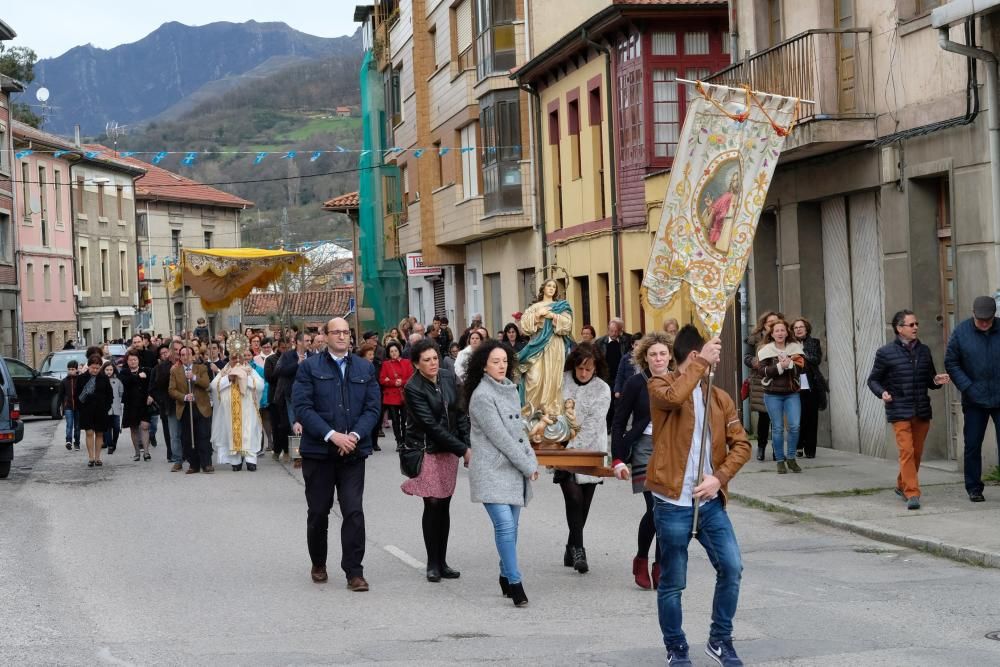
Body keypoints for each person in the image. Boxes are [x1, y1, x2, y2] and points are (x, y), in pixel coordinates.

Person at [647, 325, 751, 667]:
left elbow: (742, 445)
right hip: (672, 502)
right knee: (674, 582)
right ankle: (676, 646)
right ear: (695, 356)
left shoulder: (719, 397)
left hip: (709, 503)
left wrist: (718, 478)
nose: (716, 359)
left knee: (732, 567)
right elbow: (675, 398)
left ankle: (720, 639)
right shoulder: (659, 385)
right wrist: (699, 364)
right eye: (712, 354)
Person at [293, 316, 381, 591]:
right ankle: (318, 562)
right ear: (325, 336)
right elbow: (303, 408)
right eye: (337, 332)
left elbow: (372, 408)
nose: (342, 336)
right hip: (319, 452)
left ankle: (354, 571)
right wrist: (333, 436)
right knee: (319, 512)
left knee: (353, 511)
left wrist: (354, 436)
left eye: (346, 332)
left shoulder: (364, 368)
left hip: (353, 453)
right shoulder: (309, 368)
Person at [466, 340, 538, 607]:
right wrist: (528, 466)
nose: (501, 366)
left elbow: (519, 432)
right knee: (505, 527)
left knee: (513, 529)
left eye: (505, 361)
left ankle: (505, 574)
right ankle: (516, 582)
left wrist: (531, 458)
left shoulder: (509, 389)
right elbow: (502, 439)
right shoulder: (482, 396)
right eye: (495, 361)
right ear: (484, 365)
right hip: (491, 470)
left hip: (512, 470)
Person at [401, 339, 471, 582]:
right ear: (416, 364)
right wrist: (463, 449)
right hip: (427, 449)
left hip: (449, 450)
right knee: (432, 503)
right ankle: (432, 563)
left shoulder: (448, 376)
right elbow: (430, 426)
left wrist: (466, 444)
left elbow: (460, 411)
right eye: (426, 360)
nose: (432, 363)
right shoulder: (412, 388)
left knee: (445, 504)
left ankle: (443, 561)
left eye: (434, 358)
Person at [867, 310, 949, 510]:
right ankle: (912, 493)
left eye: (916, 324)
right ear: (899, 328)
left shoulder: (924, 350)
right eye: (911, 325)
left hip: (921, 410)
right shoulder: (885, 353)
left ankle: (901, 484)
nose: (915, 328)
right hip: (899, 409)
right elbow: (873, 380)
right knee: (907, 452)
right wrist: (882, 393)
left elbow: (929, 379)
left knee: (917, 453)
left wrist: (936, 381)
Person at [612, 332, 672, 590]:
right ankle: (641, 558)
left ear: (670, 355)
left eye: (662, 353)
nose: (658, 358)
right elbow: (618, 421)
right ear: (645, 358)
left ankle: (660, 565)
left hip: (672, 450)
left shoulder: (679, 381)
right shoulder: (637, 383)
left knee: (668, 511)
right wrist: (617, 458)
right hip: (645, 448)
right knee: (656, 508)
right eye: (653, 354)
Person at [556, 341, 611, 574]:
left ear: (596, 368)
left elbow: (592, 424)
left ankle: (570, 544)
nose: (584, 373)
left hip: (590, 451)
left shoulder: (602, 389)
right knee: (573, 498)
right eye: (580, 368)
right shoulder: (562, 380)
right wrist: (560, 444)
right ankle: (579, 549)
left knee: (584, 504)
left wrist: (574, 447)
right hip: (562, 448)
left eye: (589, 369)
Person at [945, 295, 1000, 502]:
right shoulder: (961, 332)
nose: (984, 323)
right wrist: (968, 387)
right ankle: (974, 487)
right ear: (973, 314)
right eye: (980, 320)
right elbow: (951, 362)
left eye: (988, 320)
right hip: (974, 399)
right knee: (973, 444)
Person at [519, 279, 574, 417]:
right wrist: (538, 314)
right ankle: (531, 412)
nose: (551, 288)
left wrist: (552, 315)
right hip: (537, 344)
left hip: (555, 345)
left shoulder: (561, 306)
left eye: (554, 286)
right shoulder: (534, 307)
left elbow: (567, 325)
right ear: (543, 288)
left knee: (553, 378)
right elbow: (525, 327)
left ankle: (551, 411)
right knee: (534, 378)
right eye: (549, 285)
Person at [758, 319, 804, 474]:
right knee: (777, 428)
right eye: (776, 331)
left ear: (787, 332)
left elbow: (803, 368)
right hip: (772, 394)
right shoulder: (766, 350)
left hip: (792, 393)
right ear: (771, 334)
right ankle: (779, 461)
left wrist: (790, 363)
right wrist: (779, 366)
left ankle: (791, 458)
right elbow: (762, 371)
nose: (780, 333)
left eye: (782, 330)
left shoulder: (794, 348)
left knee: (794, 426)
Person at [211, 346, 265, 472]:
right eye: (234, 358)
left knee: (249, 432)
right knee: (231, 432)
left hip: (248, 409)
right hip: (230, 410)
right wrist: (228, 378)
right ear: (230, 358)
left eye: (239, 357)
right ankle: (236, 461)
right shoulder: (226, 370)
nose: (236, 360)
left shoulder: (249, 370)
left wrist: (245, 378)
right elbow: (214, 386)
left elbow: (260, 386)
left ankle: (251, 460)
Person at [743, 311, 782, 461]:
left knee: (776, 416)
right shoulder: (754, 339)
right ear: (763, 324)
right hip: (760, 379)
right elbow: (747, 358)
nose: (772, 325)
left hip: (779, 378)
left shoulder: (782, 336)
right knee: (764, 416)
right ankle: (760, 447)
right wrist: (756, 362)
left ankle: (776, 449)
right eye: (769, 322)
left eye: (775, 322)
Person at [169, 345, 214, 474]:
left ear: (193, 356)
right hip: (185, 407)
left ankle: (207, 464)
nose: (185, 357)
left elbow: (206, 384)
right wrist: (184, 397)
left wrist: (194, 377)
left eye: (188, 354)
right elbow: (171, 390)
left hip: (201, 406)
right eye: (182, 355)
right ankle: (193, 464)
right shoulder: (175, 371)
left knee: (203, 435)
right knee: (188, 437)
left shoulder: (201, 368)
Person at [791, 318, 827, 459]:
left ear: (806, 329)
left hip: (811, 384)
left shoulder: (814, 343)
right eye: (796, 327)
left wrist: (800, 353)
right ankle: (798, 446)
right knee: (798, 418)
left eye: (801, 327)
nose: (798, 329)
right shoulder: (789, 345)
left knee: (812, 418)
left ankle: (810, 450)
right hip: (795, 385)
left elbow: (816, 359)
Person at [76, 354, 113, 468]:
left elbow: (109, 395)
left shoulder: (104, 378)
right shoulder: (81, 378)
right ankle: (91, 457)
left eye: (97, 368)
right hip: (86, 410)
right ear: (89, 366)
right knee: (89, 432)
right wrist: (80, 408)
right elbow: (76, 395)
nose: (95, 370)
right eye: (93, 368)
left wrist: (106, 407)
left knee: (99, 433)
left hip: (101, 410)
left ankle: (98, 458)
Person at [597, 318, 632, 431]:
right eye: (611, 331)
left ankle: (618, 427)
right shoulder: (600, 342)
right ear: (608, 330)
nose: (614, 333)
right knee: (607, 403)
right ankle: (607, 426)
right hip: (605, 377)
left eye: (616, 331)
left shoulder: (625, 341)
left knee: (619, 404)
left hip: (620, 377)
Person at [119, 350, 153, 462]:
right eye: (130, 360)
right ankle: (137, 453)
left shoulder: (146, 370)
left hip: (144, 403)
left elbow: (152, 385)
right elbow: (126, 382)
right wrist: (138, 377)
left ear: (138, 360)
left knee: (144, 426)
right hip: (130, 404)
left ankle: (146, 452)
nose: (133, 362)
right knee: (133, 428)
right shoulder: (124, 372)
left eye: (135, 359)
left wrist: (151, 396)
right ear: (127, 361)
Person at [380, 340, 412, 447]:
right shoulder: (386, 364)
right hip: (391, 396)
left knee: (404, 420)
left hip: (404, 395)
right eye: (391, 351)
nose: (394, 353)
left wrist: (401, 382)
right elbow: (382, 379)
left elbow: (411, 378)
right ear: (388, 353)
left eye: (395, 350)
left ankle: (405, 439)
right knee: (395, 420)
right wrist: (394, 382)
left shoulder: (407, 362)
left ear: (399, 351)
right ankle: (399, 441)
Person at [59, 360, 82, 451]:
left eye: (72, 369)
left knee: (77, 426)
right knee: (69, 424)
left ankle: (77, 442)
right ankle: (68, 441)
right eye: (69, 369)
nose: (70, 371)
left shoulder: (80, 380)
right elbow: (61, 395)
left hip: (78, 407)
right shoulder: (64, 381)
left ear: (76, 370)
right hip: (68, 406)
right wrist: (60, 406)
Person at [102, 361, 124, 455]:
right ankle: (110, 445)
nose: (109, 371)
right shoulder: (100, 380)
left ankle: (114, 443)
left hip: (116, 407)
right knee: (106, 427)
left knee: (116, 427)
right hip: (105, 408)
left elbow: (121, 393)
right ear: (103, 370)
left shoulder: (118, 381)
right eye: (107, 370)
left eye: (111, 369)